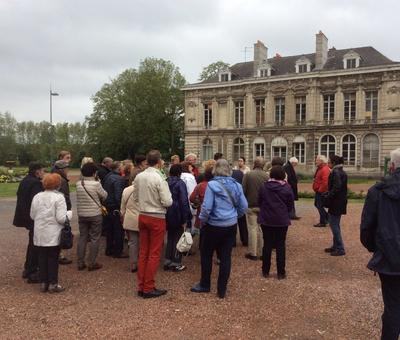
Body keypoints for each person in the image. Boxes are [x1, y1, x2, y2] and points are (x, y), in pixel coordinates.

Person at [191, 159, 248, 299]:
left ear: (215, 170)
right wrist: (235, 216)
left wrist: (202, 221)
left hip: (213, 225)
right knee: (225, 257)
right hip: (230, 225)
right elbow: (244, 206)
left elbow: (207, 208)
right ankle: (222, 289)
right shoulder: (237, 185)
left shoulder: (212, 185)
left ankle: (205, 284)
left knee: (206, 255)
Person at [360, 148, 400, 340]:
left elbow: (367, 228)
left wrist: (376, 247)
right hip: (390, 255)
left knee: (392, 307)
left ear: (392, 166)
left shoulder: (377, 191)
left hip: (390, 257)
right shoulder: (378, 191)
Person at [133, 150, 173, 298]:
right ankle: (148, 287)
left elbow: (135, 197)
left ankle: (142, 286)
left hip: (143, 215)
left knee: (144, 252)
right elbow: (168, 201)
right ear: (158, 161)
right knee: (154, 253)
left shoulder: (139, 176)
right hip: (156, 216)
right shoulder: (159, 177)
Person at [30, 173, 72, 293]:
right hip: (53, 232)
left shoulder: (37, 196)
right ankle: (53, 283)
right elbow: (61, 218)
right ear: (58, 184)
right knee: (53, 258)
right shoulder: (59, 197)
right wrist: (69, 214)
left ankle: (43, 282)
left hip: (40, 232)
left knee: (42, 257)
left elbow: (32, 215)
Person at [258, 165, 294, 279]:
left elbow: (260, 201)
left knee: (267, 244)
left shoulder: (264, 187)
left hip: (267, 219)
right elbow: (290, 205)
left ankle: (265, 271)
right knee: (280, 245)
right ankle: (281, 272)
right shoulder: (287, 188)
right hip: (281, 220)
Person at [13, 162, 44, 283]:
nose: (43, 173)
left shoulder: (25, 180)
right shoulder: (35, 183)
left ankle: (28, 268)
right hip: (32, 217)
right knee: (35, 244)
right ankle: (32, 271)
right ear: (37, 171)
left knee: (32, 243)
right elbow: (37, 202)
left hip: (25, 215)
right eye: (42, 170)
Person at [75, 162, 108, 271]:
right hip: (94, 214)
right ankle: (92, 262)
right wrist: (98, 182)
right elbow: (104, 195)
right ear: (94, 173)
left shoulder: (79, 183)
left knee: (83, 237)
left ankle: (80, 262)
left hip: (82, 214)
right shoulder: (96, 184)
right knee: (95, 238)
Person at [164, 164, 192, 271]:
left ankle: (167, 259)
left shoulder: (165, 181)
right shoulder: (180, 183)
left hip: (167, 211)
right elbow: (184, 201)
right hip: (177, 212)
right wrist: (186, 217)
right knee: (178, 237)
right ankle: (176, 262)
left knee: (170, 236)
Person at [242, 157, 268, 260]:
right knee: (260, 229)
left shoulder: (248, 174)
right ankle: (262, 252)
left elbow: (243, 190)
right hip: (263, 206)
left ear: (254, 164)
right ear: (263, 165)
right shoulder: (266, 176)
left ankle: (253, 253)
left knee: (252, 228)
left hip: (251, 205)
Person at [323, 155, 348, 256]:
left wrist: (328, 195)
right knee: (335, 224)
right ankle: (335, 246)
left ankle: (340, 248)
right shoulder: (341, 171)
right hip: (339, 202)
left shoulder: (336, 172)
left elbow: (337, 187)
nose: (328, 163)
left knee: (334, 225)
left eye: (329, 162)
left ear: (333, 163)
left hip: (336, 202)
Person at [103, 162, 127, 258]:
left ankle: (109, 249)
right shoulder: (119, 179)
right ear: (118, 168)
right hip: (115, 207)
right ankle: (118, 251)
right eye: (122, 167)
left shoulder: (107, 176)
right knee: (118, 230)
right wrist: (121, 208)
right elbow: (118, 196)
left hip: (107, 206)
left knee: (110, 230)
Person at [120, 170, 142, 273]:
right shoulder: (145, 189)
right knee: (143, 242)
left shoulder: (126, 190)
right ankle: (143, 262)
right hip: (142, 218)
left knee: (132, 242)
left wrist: (122, 216)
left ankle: (133, 263)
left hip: (130, 219)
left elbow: (122, 208)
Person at [52, 160, 72, 265]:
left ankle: (57, 254)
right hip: (61, 208)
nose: (67, 170)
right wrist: (68, 208)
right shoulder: (61, 180)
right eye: (66, 168)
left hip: (55, 208)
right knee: (62, 232)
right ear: (61, 169)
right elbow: (65, 196)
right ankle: (59, 255)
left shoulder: (55, 177)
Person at [313, 155, 330, 227]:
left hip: (321, 192)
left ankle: (323, 221)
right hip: (318, 190)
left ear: (321, 161)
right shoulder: (320, 168)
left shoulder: (324, 169)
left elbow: (325, 182)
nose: (315, 161)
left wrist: (320, 190)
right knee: (317, 204)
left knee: (319, 205)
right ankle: (326, 218)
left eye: (317, 160)